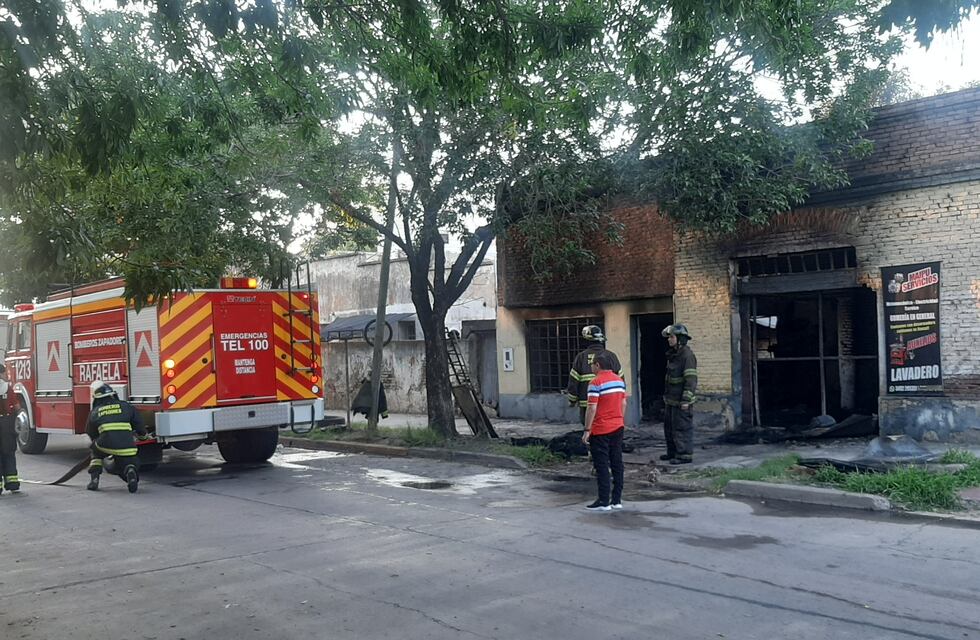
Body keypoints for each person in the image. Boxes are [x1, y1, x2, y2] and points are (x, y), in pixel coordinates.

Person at [581, 351, 627, 511]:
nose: (591, 367)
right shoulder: (619, 381)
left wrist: (587, 429)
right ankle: (617, 500)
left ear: (598, 365)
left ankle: (603, 500)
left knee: (601, 465)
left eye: (592, 365)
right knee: (617, 462)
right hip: (618, 426)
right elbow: (623, 403)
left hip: (601, 429)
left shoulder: (595, 382)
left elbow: (592, 408)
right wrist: (620, 419)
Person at [85, 380, 148, 493]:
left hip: (104, 445)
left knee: (95, 452)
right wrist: (143, 437)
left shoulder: (95, 412)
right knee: (129, 460)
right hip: (128, 445)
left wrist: (96, 441)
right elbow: (139, 425)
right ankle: (130, 470)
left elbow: (90, 432)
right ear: (113, 395)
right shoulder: (126, 406)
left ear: (97, 398)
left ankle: (94, 479)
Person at [565, 325, 622, 424]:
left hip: (587, 403)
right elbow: (620, 379)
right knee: (607, 427)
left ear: (586, 341)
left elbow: (573, 382)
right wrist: (620, 398)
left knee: (589, 427)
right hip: (609, 402)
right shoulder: (611, 356)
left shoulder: (581, 357)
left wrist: (572, 400)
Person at [662, 324, 698, 465]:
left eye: (671, 337)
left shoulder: (687, 356)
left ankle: (684, 455)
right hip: (671, 400)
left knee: (681, 428)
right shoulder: (674, 355)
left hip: (681, 401)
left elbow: (691, 380)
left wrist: (686, 400)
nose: (669, 340)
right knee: (669, 428)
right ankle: (672, 452)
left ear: (680, 339)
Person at [0, 363, 21, 495]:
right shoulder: (8, 388)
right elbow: (16, 406)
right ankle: (12, 483)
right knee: (9, 453)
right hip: (7, 424)